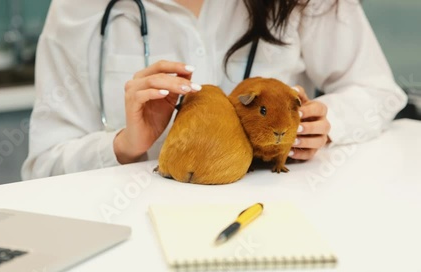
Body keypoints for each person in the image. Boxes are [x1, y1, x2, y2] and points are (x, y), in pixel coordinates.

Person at [21, 0, 407, 180]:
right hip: (133, 230)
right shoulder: (77, 10)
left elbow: (377, 89)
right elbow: (42, 167)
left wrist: (324, 123)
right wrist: (123, 145)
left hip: (280, 216)